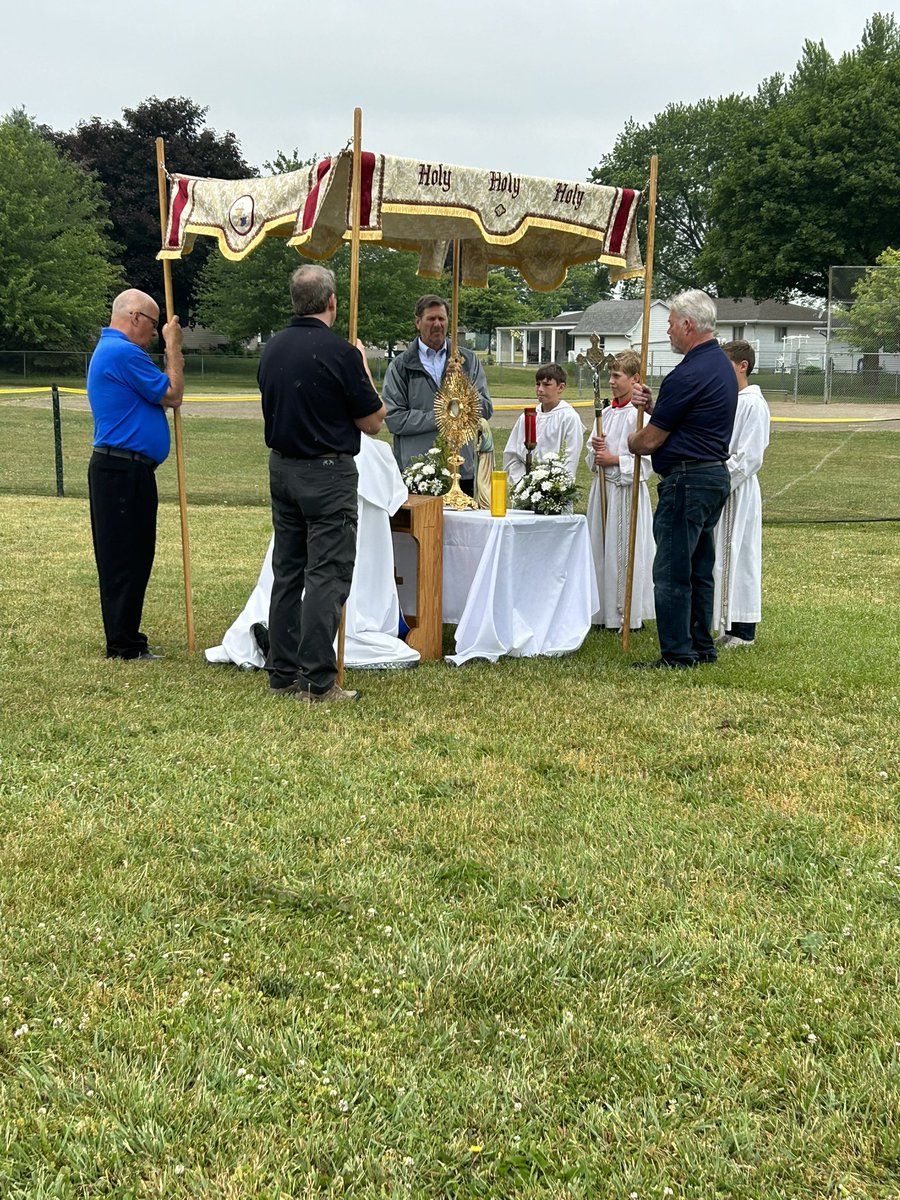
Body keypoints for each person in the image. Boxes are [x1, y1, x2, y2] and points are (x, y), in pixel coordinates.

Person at [258, 264, 385, 703]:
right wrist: (363, 368)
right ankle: (316, 681)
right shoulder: (341, 354)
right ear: (332, 302)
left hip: (282, 469)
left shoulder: (271, 349)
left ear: (295, 302)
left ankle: (282, 673)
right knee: (327, 575)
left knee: (287, 572)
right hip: (328, 476)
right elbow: (372, 422)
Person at [627, 290, 737, 668]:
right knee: (698, 567)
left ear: (688, 325)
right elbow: (690, 419)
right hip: (712, 476)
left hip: (686, 480)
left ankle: (676, 653)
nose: (669, 330)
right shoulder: (720, 366)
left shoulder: (686, 373)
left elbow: (652, 439)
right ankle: (700, 647)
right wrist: (656, 405)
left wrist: (631, 439)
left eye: (672, 323)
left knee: (673, 570)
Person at [87, 288, 184, 660]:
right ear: (134, 318)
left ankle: (127, 635)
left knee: (132, 554)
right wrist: (172, 346)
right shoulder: (124, 353)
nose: (155, 330)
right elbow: (173, 393)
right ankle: (123, 644)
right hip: (121, 470)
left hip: (126, 469)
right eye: (154, 323)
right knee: (125, 557)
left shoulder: (116, 352)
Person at [382, 295, 493, 495]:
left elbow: (485, 409)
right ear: (417, 322)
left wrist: (463, 386)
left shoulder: (467, 360)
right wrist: (444, 415)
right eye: (431, 319)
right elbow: (395, 418)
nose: (437, 324)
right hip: (418, 471)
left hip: (460, 471)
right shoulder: (401, 366)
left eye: (442, 319)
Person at [585, 350, 655, 631]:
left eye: (617, 376)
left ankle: (627, 612)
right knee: (601, 549)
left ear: (635, 378)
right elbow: (592, 458)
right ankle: (602, 612)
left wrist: (615, 460)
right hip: (603, 490)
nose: (611, 381)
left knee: (627, 551)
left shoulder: (640, 417)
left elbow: (648, 460)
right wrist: (596, 451)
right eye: (610, 375)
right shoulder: (605, 412)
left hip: (627, 493)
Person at [713, 340, 770, 647]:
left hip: (738, 487)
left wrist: (720, 478)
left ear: (742, 366)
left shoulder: (752, 403)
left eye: (727, 365)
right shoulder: (728, 400)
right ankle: (725, 622)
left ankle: (743, 627)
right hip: (721, 485)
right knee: (721, 553)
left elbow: (750, 455)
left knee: (740, 553)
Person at [503, 363, 584, 486]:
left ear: (560, 387)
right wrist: (521, 483)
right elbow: (512, 454)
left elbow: (570, 458)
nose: (540, 389)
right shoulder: (527, 417)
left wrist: (555, 486)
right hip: (524, 487)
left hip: (554, 490)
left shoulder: (569, 418)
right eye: (538, 384)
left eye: (546, 385)